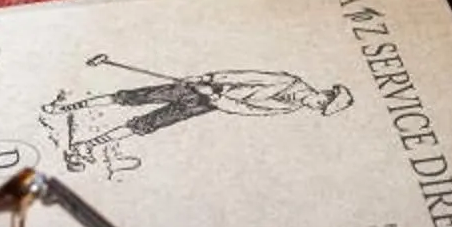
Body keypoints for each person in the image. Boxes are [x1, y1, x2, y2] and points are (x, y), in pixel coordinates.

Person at [40, 55, 352, 176]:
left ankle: (87, 146)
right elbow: (244, 73)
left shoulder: (291, 106)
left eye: (320, 109)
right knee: (133, 98)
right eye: (322, 102)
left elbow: (247, 109)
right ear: (325, 93)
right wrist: (209, 79)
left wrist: (216, 99)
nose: (316, 106)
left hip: (207, 104)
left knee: (147, 125)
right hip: (202, 88)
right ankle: (64, 109)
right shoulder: (290, 82)